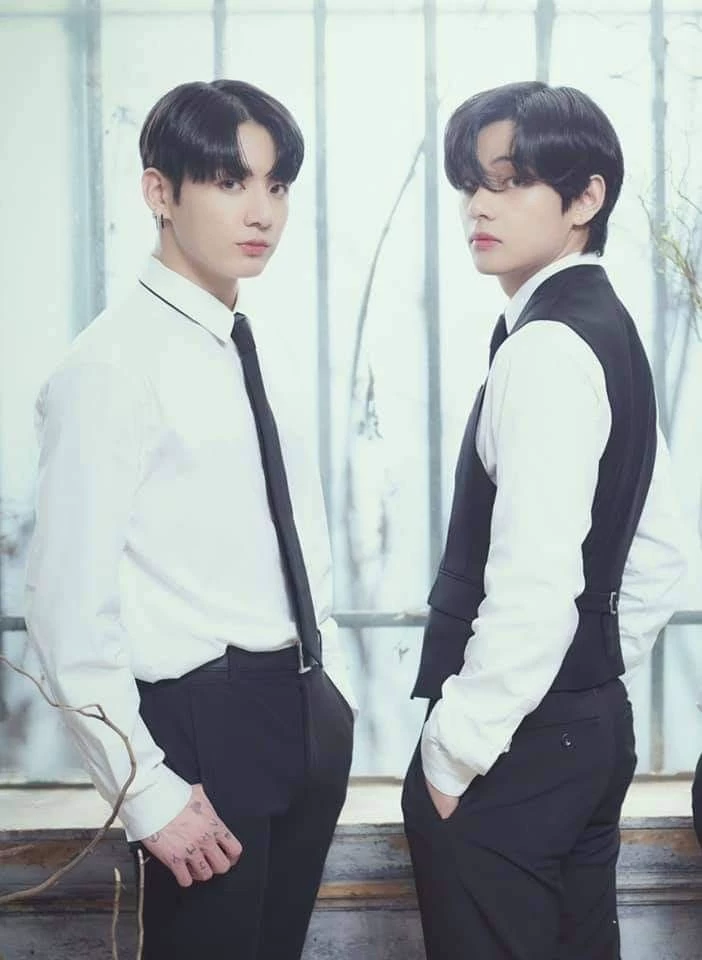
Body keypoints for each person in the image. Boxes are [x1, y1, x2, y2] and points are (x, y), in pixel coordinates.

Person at [25, 79, 354, 960]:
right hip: (201, 729)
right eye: (229, 181)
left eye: (277, 185)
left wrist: (327, 703)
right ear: (160, 192)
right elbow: (65, 607)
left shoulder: (250, 346)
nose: (261, 211)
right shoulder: (109, 367)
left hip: (300, 711)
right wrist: (146, 792)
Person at [402, 81, 687, 960]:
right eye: (471, 184)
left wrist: (453, 751)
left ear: (586, 198)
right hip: (588, 730)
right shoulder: (608, 329)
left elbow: (533, 585)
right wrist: (586, 676)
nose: (479, 206)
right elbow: (663, 554)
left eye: (512, 181)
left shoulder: (546, 348)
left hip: (514, 750)